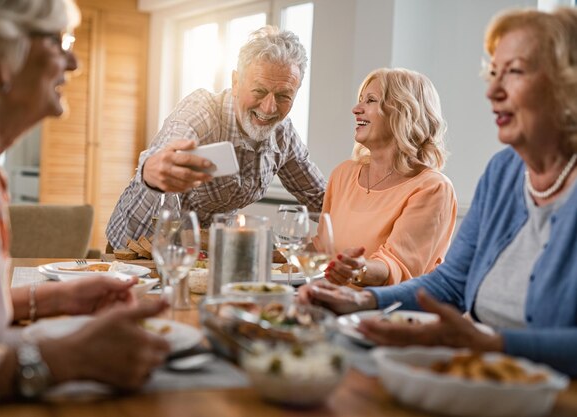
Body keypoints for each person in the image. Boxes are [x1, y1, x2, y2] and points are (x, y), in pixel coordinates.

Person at [299, 6, 577, 377]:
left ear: (567, 83)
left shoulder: (433, 186)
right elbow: (451, 283)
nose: (492, 90)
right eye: (493, 73)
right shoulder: (503, 172)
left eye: (513, 72)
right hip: (478, 374)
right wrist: (361, 300)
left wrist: (495, 346)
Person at [0, 0, 170, 412]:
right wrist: (63, 360)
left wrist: (56, 299)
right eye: (58, 41)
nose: (73, 63)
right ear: (1, 56)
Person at [105, 25, 326, 250]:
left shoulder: (283, 134)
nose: (269, 108)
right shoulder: (203, 111)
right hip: (134, 249)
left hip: (203, 254)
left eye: (283, 96)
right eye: (259, 91)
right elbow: (162, 153)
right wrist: (151, 168)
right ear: (236, 81)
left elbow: (320, 199)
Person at [321, 68, 457, 287]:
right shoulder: (343, 174)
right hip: (329, 300)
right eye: (360, 100)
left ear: (403, 112)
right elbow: (321, 249)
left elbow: (399, 267)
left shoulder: (432, 188)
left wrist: (357, 269)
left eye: (371, 100)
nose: (356, 109)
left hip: (385, 312)